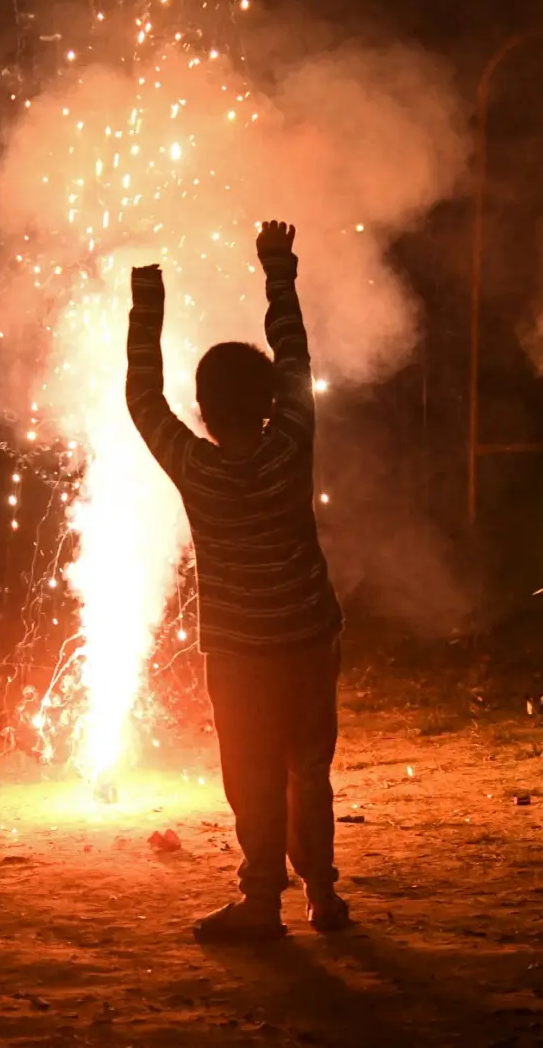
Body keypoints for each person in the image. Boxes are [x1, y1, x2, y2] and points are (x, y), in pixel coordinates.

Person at [126, 220, 349, 942]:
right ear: (270, 402)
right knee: (308, 768)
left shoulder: (196, 468)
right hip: (308, 637)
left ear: (203, 409)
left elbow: (142, 398)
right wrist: (278, 267)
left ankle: (261, 903)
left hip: (240, 653)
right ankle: (323, 895)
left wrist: (147, 297)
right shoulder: (291, 444)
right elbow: (295, 355)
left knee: (251, 773)